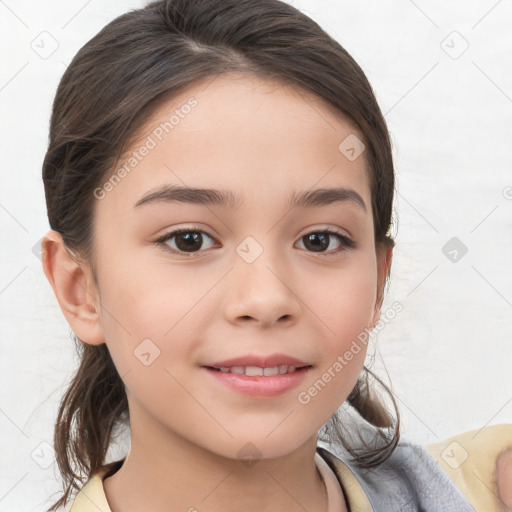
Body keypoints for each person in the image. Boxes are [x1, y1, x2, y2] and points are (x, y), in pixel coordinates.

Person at [40, 0, 512, 510]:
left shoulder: (486, 490)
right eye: (189, 240)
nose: (265, 299)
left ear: (379, 280)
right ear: (79, 287)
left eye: (320, 240)